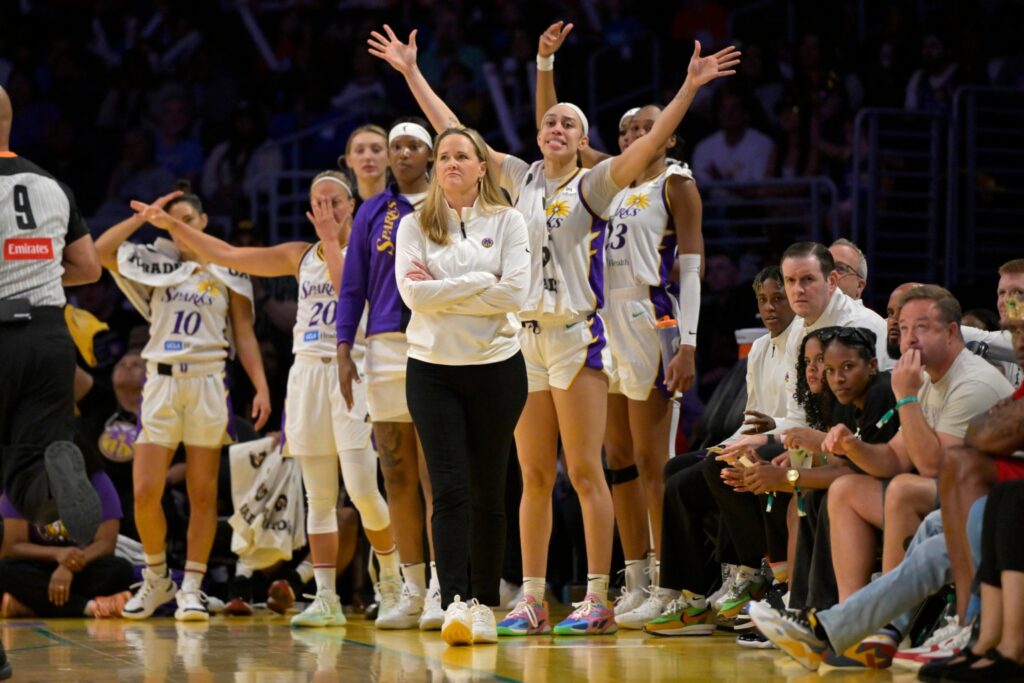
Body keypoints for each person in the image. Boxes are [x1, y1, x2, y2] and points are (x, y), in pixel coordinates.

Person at [368, 21, 739, 637]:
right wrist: (411, 73)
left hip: (577, 334)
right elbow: (452, 133)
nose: (556, 129)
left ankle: (598, 595)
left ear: (584, 140)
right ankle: (533, 597)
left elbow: (651, 148)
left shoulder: (595, 184)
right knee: (534, 476)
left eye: (569, 123)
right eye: (549, 123)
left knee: (587, 471)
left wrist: (689, 88)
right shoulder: (518, 177)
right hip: (524, 338)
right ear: (538, 135)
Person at [129, 170, 401, 627]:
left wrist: (332, 240)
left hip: (351, 370)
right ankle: (327, 598)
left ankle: (392, 580)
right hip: (306, 376)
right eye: (319, 203)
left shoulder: (369, 251)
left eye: (336, 201)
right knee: (317, 496)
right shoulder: (299, 255)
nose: (328, 210)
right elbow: (230, 254)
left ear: (352, 205)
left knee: (361, 490)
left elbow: (347, 289)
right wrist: (172, 225)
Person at [532, 20, 706, 617]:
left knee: (654, 460)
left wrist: (688, 341)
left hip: (653, 318)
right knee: (617, 460)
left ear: (667, 137)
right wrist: (546, 65)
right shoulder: (606, 182)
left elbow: (691, 270)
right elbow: (555, 132)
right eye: (627, 129)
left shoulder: (677, 184)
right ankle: (634, 578)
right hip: (601, 321)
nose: (635, 133)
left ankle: (669, 581)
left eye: (645, 127)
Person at [94, 182, 271, 621]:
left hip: (209, 382)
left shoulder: (229, 268)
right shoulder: (156, 264)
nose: (181, 230)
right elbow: (100, 251)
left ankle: (192, 586)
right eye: (173, 225)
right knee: (145, 490)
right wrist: (143, 217)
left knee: (203, 494)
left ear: (204, 222)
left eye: (187, 221)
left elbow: (244, 335)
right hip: (161, 383)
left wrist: (262, 385)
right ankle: (157, 579)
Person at [395, 126, 530, 646]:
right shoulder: (414, 225)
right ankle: (453, 600)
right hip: (431, 369)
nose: (452, 163)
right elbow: (413, 296)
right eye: (445, 156)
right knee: (449, 489)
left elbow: (515, 292)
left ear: (481, 167)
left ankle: (484, 605)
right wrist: (480, 284)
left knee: (490, 490)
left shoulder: (509, 221)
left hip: (498, 365)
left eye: (462, 156)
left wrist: (445, 290)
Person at [0, 84, 103, 679]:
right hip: (46, 338)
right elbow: (87, 268)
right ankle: (51, 479)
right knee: (28, 472)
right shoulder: (51, 185)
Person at [822, 286, 1012, 599]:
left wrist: (906, 397)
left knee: (903, 490)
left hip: (993, 502)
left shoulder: (972, 382)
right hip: (957, 494)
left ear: (951, 332)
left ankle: (890, 620)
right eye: (905, 327)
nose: (908, 338)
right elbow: (894, 459)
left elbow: (932, 467)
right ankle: (852, 612)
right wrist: (851, 446)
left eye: (921, 328)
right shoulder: (928, 378)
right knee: (845, 490)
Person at [335, 120, 441, 630]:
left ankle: (445, 588)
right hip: (383, 348)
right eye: (394, 146)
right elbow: (352, 285)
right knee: (396, 470)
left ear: (430, 154)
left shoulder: (451, 203)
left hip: (441, 342)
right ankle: (412, 588)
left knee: (435, 473)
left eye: (411, 145)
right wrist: (341, 348)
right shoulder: (373, 212)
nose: (401, 153)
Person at [0, 467, 134, 619]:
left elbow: (106, 543)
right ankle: (90, 608)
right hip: (36, 565)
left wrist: (68, 565)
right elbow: (13, 546)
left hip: (82, 564)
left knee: (120, 571)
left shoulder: (97, 479)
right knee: (4, 571)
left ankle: (31, 607)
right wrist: (58, 554)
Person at [339, 124, 389, 209]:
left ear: (390, 157)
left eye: (376, 150)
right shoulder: (341, 209)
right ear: (348, 160)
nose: (367, 157)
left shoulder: (408, 204)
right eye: (360, 151)